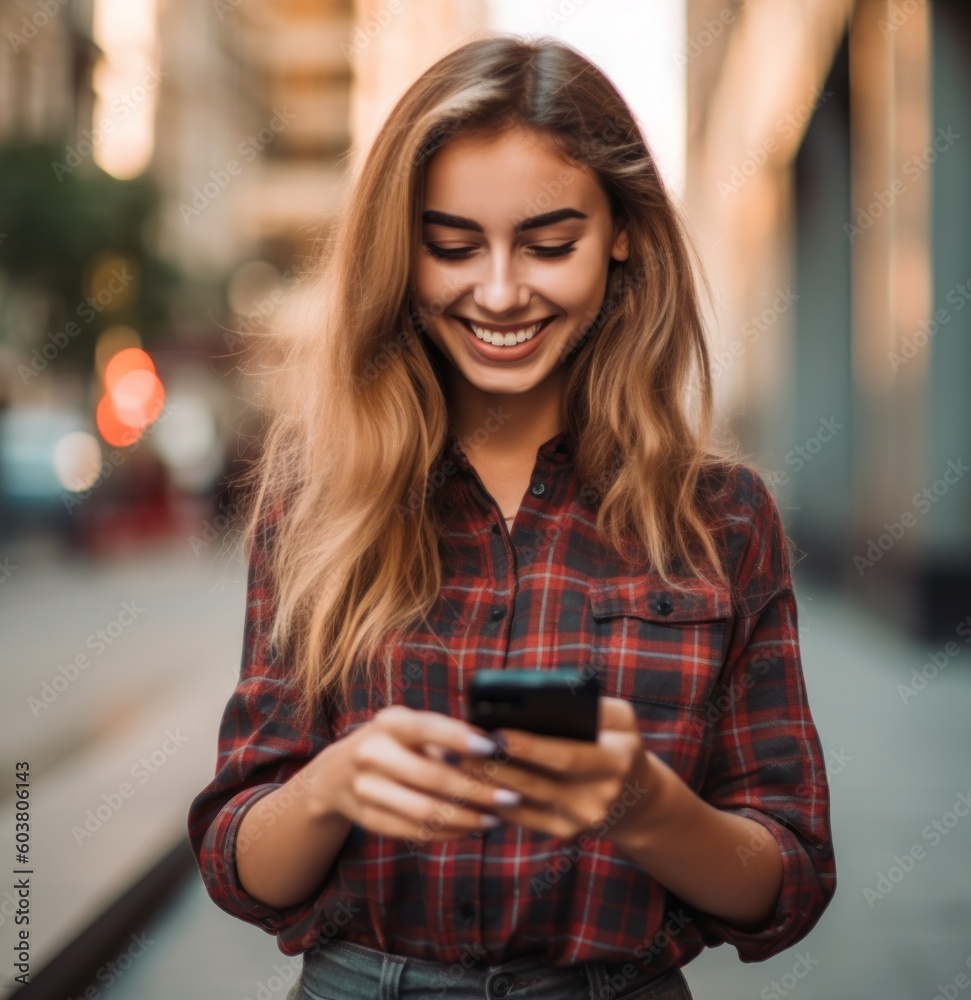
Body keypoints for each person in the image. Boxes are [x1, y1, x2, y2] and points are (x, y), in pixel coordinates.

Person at [187, 33, 836, 1000]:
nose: (498, 292)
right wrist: (330, 789)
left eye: (549, 244)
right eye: (451, 247)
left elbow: (787, 884)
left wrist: (645, 807)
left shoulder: (724, 518)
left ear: (621, 232)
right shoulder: (315, 506)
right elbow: (240, 863)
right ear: (399, 254)